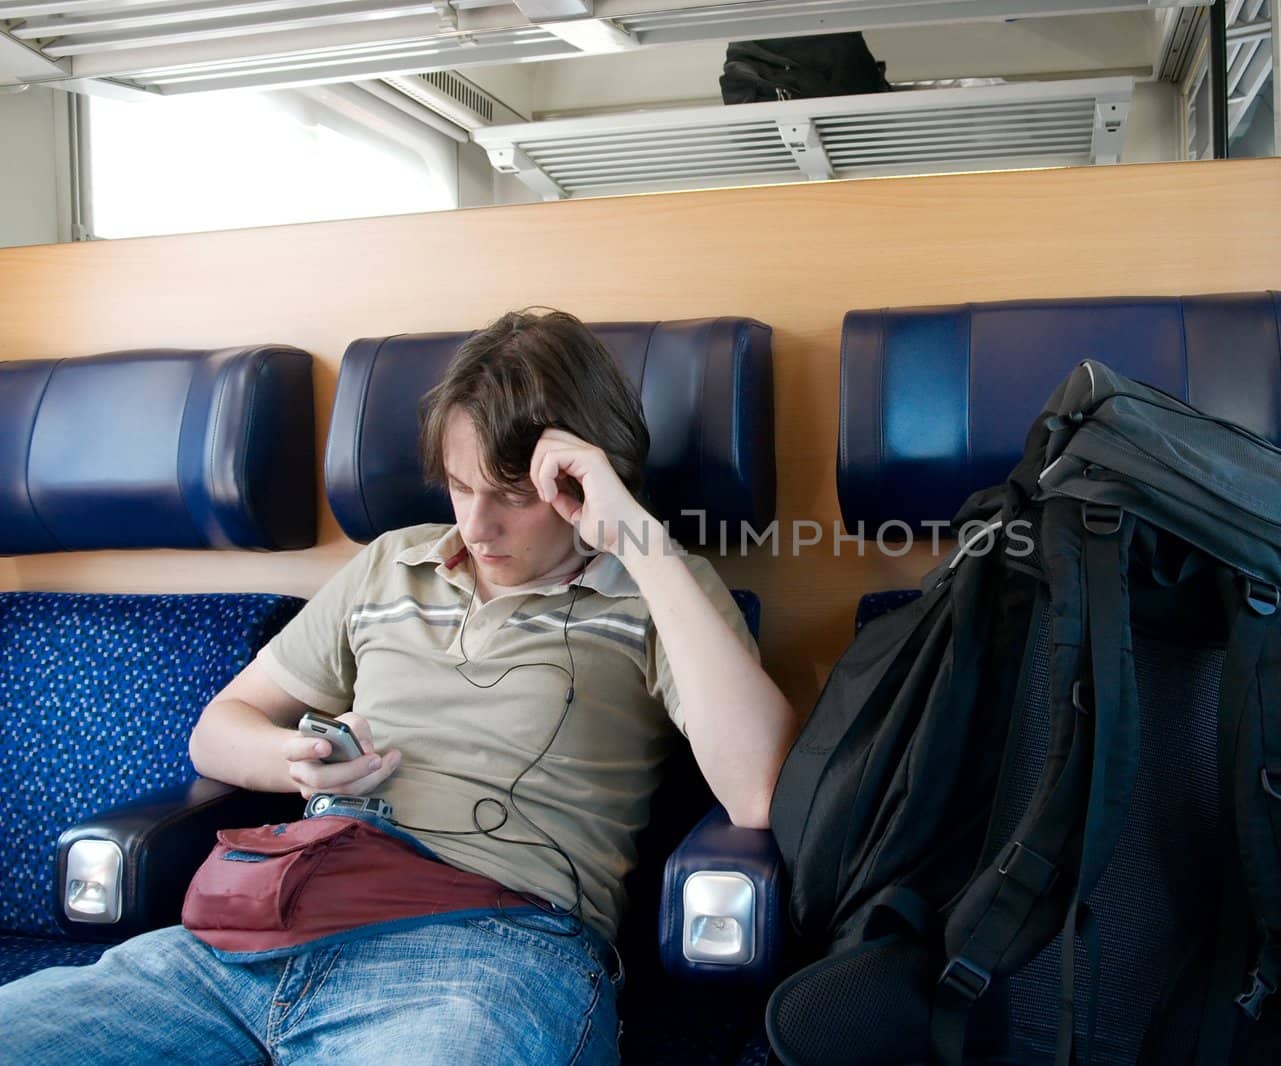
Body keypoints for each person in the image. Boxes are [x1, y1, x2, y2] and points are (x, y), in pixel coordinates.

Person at [0, 309, 796, 1065]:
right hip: (260, 931)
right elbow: (218, 728)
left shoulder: (658, 589)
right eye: (459, 485)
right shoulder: (390, 563)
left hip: (486, 953)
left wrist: (636, 536)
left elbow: (759, 789)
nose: (477, 527)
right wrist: (295, 761)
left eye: (513, 496)